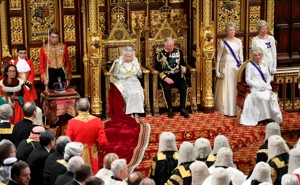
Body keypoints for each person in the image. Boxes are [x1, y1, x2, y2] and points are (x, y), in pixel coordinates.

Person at [240, 46, 282, 126]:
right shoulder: (250, 65)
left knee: (270, 97)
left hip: (265, 86)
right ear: (252, 56)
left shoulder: (264, 63)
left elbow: (268, 76)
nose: (257, 57)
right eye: (255, 55)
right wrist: (256, 85)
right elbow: (247, 79)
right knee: (261, 97)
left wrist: (266, 84)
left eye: (259, 55)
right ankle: (261, 118)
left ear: (261, 55)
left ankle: (269, 117)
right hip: (255, 87)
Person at [66, 98, 107, 174]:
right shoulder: (97, 121)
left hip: (77, 153)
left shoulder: (71, 122)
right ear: (89, 107)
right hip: (92, 153)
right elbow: (103, 141)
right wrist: (98, 147)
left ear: (77, 108)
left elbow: (68, 140)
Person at [155, 37, 190, 118]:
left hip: (177, 75)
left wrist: (184, 68)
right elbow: (158, 69)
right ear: (165, 46)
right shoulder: (160, 54)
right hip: (166, 75)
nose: (172, 47)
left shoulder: (178, 51)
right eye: (170, 46)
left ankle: (182, 109)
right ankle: (170, 109)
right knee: (166, 88)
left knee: (183, 87)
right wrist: (166, 78)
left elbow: (182, 63)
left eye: (172, 45)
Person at [215, 22, 243, 116]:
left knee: (234, 88)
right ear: (227, 31)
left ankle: (235, 110)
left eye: (234, 30)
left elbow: (241, 57)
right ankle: (225, 110)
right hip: (225, 67)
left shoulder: (239, 41)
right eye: (230, 30)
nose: (232, 32)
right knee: (226, 88)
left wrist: (241, 68)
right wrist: (217, 71)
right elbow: (218, 57)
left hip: (235, 68)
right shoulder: (223, 43)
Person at [109, 46, 144, 123]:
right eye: (127, 57)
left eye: (130, 57)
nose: (129, 58)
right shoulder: (119, 62)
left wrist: (139, 70)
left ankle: (136, 113)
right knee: (129, 92)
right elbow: (114, 74)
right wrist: (124, 76)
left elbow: (140, 75)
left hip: (134, 80)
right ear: (124, 55)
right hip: (123, 81)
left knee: (137, 92)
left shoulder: (135, 61)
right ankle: (129, 112)